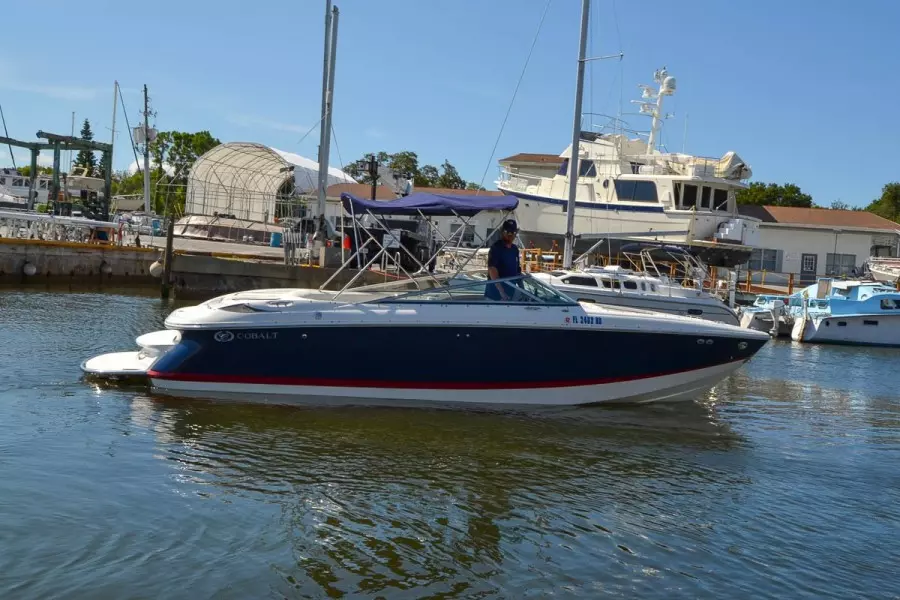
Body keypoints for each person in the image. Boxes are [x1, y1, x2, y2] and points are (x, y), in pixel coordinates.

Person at [485, 219, 522, 301]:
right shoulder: (495, 248)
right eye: (507, 232)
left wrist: (522, 290)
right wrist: (502, 292)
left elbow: (518, 271)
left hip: (510, 294)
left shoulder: (515, 249)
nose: (510, 234)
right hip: (495, 296)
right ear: (502, 232)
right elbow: (492, 270)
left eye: (513, 232)